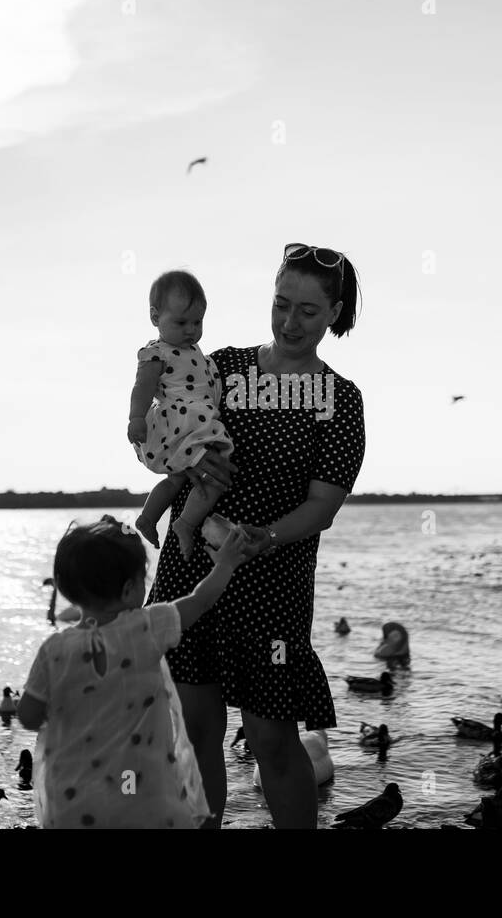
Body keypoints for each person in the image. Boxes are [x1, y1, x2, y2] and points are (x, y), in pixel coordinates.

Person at [146, 242, 366, 828]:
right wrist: (188, 464)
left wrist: (261, 536)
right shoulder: (223, 365)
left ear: (334, 313)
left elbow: (321, 507)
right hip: (192, 566)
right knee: (195, 732)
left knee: (271, 739)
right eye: (281, 304)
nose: (290, 322)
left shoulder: (340, 401)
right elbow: (170, 431)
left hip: (273, 581)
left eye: (309, 311)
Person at [17, 514, 251, 828]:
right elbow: (201, 600)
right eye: (145, 578)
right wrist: (224, 565)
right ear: (129, 589)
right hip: (145, 800)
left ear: (63, 587)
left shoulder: (53, 651)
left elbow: (29, 717)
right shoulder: (148, 627)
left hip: (72, 801)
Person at [127, 271, 235, 558]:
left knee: (176, 481)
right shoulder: (156, 353)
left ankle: (148, 518)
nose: (191, 330)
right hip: (181, 425)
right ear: (155, 317)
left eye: (197, 322)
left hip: (194, 424)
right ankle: (185, 524)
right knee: (215, 477)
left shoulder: (192, 349)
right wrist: (136, 418)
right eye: (181, 322)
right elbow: (142, 388)